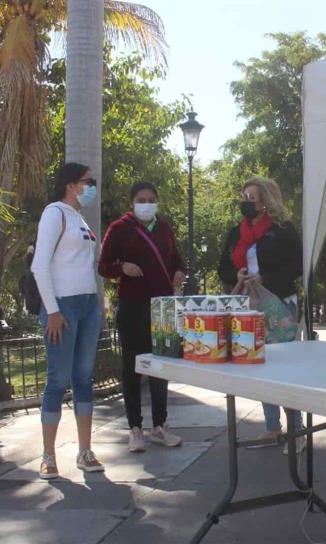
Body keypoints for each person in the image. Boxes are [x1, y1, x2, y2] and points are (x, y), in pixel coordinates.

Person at [98, 181, 187, 453]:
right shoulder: (119, 229)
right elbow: (103, 265)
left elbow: (178, 260)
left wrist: (180, 272)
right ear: (132, 202)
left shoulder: (164, 228)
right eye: (141, 199)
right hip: (133, 306)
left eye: (151, 198)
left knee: (161, 366)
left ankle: (160, 425)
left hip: (162, 308)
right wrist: (122, 267)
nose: (146, 203)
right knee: (133, 367)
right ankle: (135, 428)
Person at [218, 176, 305, 454]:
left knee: (285, 365)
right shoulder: (236, 233)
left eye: (252, 197)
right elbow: (222, 267)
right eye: (244, 196)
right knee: (260, 364)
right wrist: (238, 275)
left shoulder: (283, 230)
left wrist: (264, 277)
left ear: (266, 201)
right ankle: (272, 426)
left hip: (279, 301)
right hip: (249, 304)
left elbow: (297, 265)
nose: (247, 202)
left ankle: (297, 430)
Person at [31, 162, 104, 479]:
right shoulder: (54, 213)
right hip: (63, 306)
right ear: (72, 184)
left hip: (88, 303)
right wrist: (53, 311)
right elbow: (39, 266)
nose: (92, 187)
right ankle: (48, 455)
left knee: (84, 378)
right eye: (89, 182)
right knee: (58, 380)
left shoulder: (80, 218)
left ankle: (84, 451)